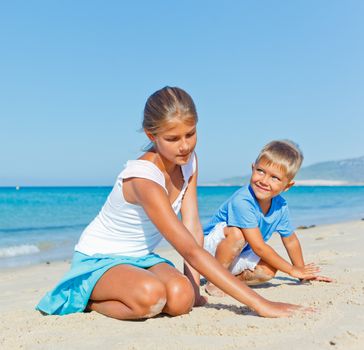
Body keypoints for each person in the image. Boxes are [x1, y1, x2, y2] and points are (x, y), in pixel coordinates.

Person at [36, 87, 305, 320]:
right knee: (150, 297)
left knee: (180, 298)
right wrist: (260, 304)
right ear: (151, 135)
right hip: (99, 259)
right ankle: (86, 297)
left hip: (141, 258)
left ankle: (156, 289)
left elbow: (192, 227)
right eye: (172, 139)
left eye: (190, 134)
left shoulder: (189, 161)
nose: (185, 146)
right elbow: (188, 249)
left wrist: (196, 291)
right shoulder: (144, 179)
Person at [203, 140, 333, 296]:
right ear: (252, 168)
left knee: (269, 270)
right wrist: (291, 270)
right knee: (237, 234)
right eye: (260, 171)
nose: (264, 181)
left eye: (275, 178)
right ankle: (215, 281)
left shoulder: (280, 205)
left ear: (287, 186)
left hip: (237, 254)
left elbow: (290, 240)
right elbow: (258, 247)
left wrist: (301, 272)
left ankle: (230, 281)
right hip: (208, 252)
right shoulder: (242, 201)